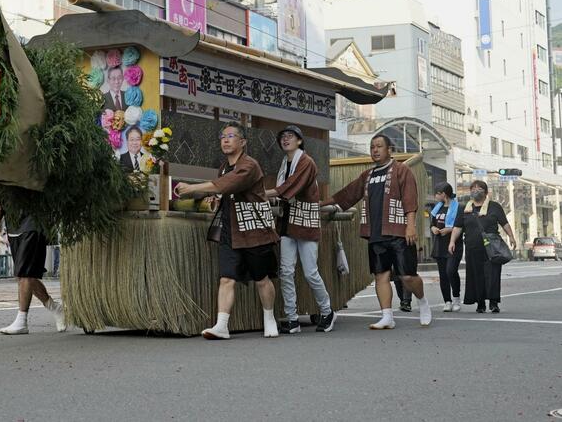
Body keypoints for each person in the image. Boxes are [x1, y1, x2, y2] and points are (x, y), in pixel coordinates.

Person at [175, 124, 280, 340]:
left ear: (243, 142)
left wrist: (193, 188)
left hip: (253, 229)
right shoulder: (224, 166)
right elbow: (222, 188)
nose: (225, 140)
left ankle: (269, 318)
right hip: (230, 229)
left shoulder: (250, 165)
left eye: (231, 136)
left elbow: (226, 185)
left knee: (262, 278)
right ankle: (221, 325)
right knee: (226, 278)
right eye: (222, 136)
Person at [321, 134, 432, 329]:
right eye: (372, 147)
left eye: (379, 146)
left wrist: (411, 225)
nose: (375, 150)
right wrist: (322, 203)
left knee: (407, 275)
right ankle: (387, 316)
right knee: (380, 275)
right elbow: (348, 194)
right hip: (376, 233)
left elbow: (410, 199)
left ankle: (422, 302)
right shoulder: (368, 175)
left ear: (389, 150)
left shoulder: (401, 170)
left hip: (398, 231)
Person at [264, 125, 335, 334]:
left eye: (290, 136)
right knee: (286, 271)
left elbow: (289, 187)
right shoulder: (284, 163)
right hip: (287, 221)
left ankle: (327, 311)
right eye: (283, 136)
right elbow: (285, 190)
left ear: (300, 141)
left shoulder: (306, 162)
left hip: (304, 220)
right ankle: (292, 318)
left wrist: (262, 193)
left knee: (311, 272)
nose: (285, 139)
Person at [0, 199, 66, 334]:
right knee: (24, 275)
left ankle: (22, 320)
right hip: (13, 228)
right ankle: (56, 308)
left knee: (26, 274)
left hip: (33, 223)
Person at [448, 180, 517, 313]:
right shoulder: (464, 208)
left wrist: (511, 237)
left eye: (479, 188)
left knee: (493, 275)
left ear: (486, 192)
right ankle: (480, 303)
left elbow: (504, 223)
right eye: (473, 188)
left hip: (492, 248)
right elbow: (457, 227)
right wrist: (452, 241)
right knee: (476, 275)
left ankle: (493, 302)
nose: (475, 190)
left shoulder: (494, 206)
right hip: (472, 248)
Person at [429, 182, 461, 311]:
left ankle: (456, 298)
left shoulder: (458, 207)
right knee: (443, 274)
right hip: (439, 245)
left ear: (444, 194)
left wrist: (449, 230)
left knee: (451, 271)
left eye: (437, 193)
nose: (435, 196)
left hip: (454, 245)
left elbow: (460, 226)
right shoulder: (437, 208)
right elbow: (431, 224)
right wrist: (434, 228)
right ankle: (447, 301)